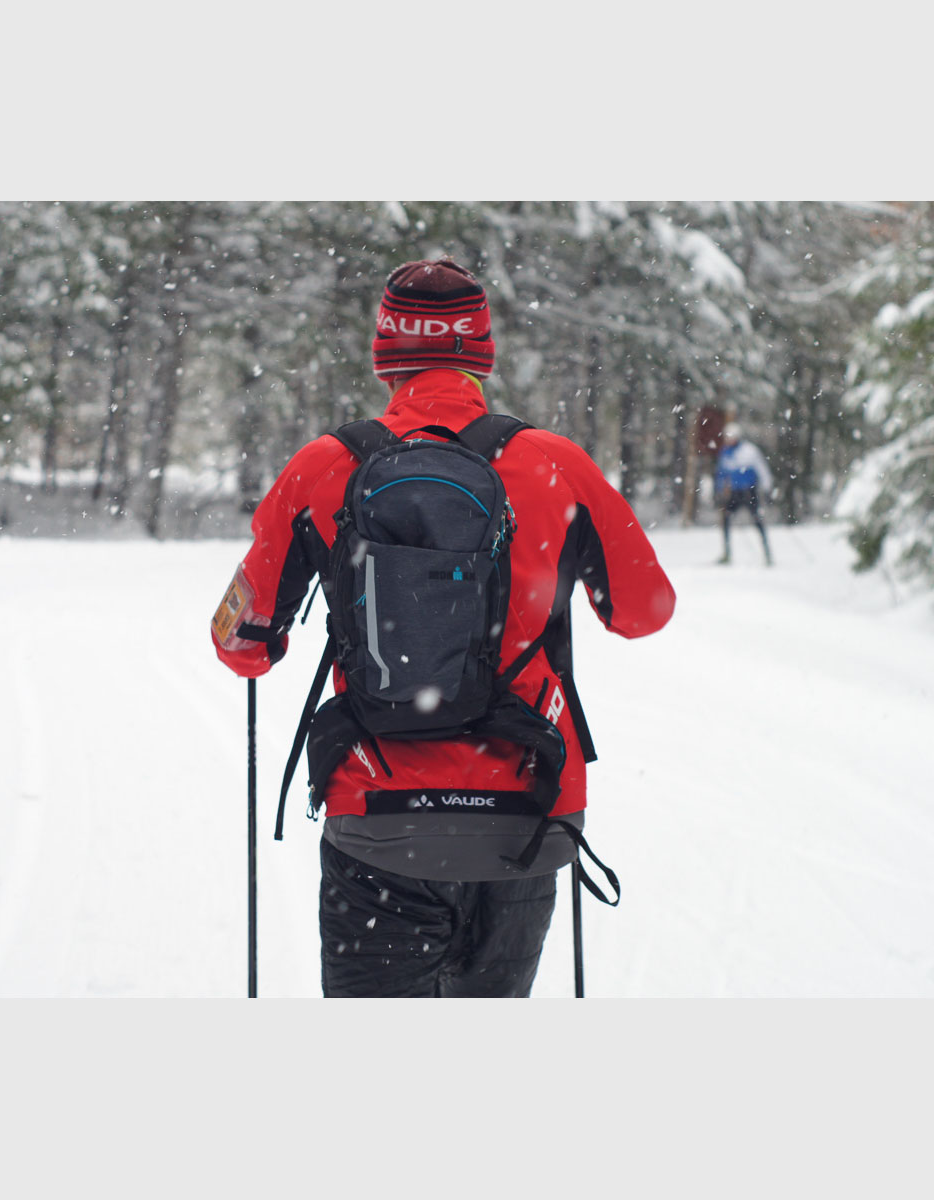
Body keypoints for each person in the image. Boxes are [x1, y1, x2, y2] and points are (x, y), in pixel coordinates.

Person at [211, 258, 676, 997]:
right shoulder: (556, 466)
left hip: (378, 823)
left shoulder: (324, 467)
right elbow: (644, 612)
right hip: (524, 821)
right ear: (480, 351)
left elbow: (241, 646)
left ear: (386, 351)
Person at [714, 422, 773, 565]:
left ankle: (767, 554)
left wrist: (767, 487)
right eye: (727, 437)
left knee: (757, 521)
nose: (729, 440)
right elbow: (721, 473)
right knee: (726, 519)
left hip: (749, 492)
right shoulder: (725, 452)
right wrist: (718, 489)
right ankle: (727, 553)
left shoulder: (749, 450)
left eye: (731, 437)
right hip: (734, 493)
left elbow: (762, 469)